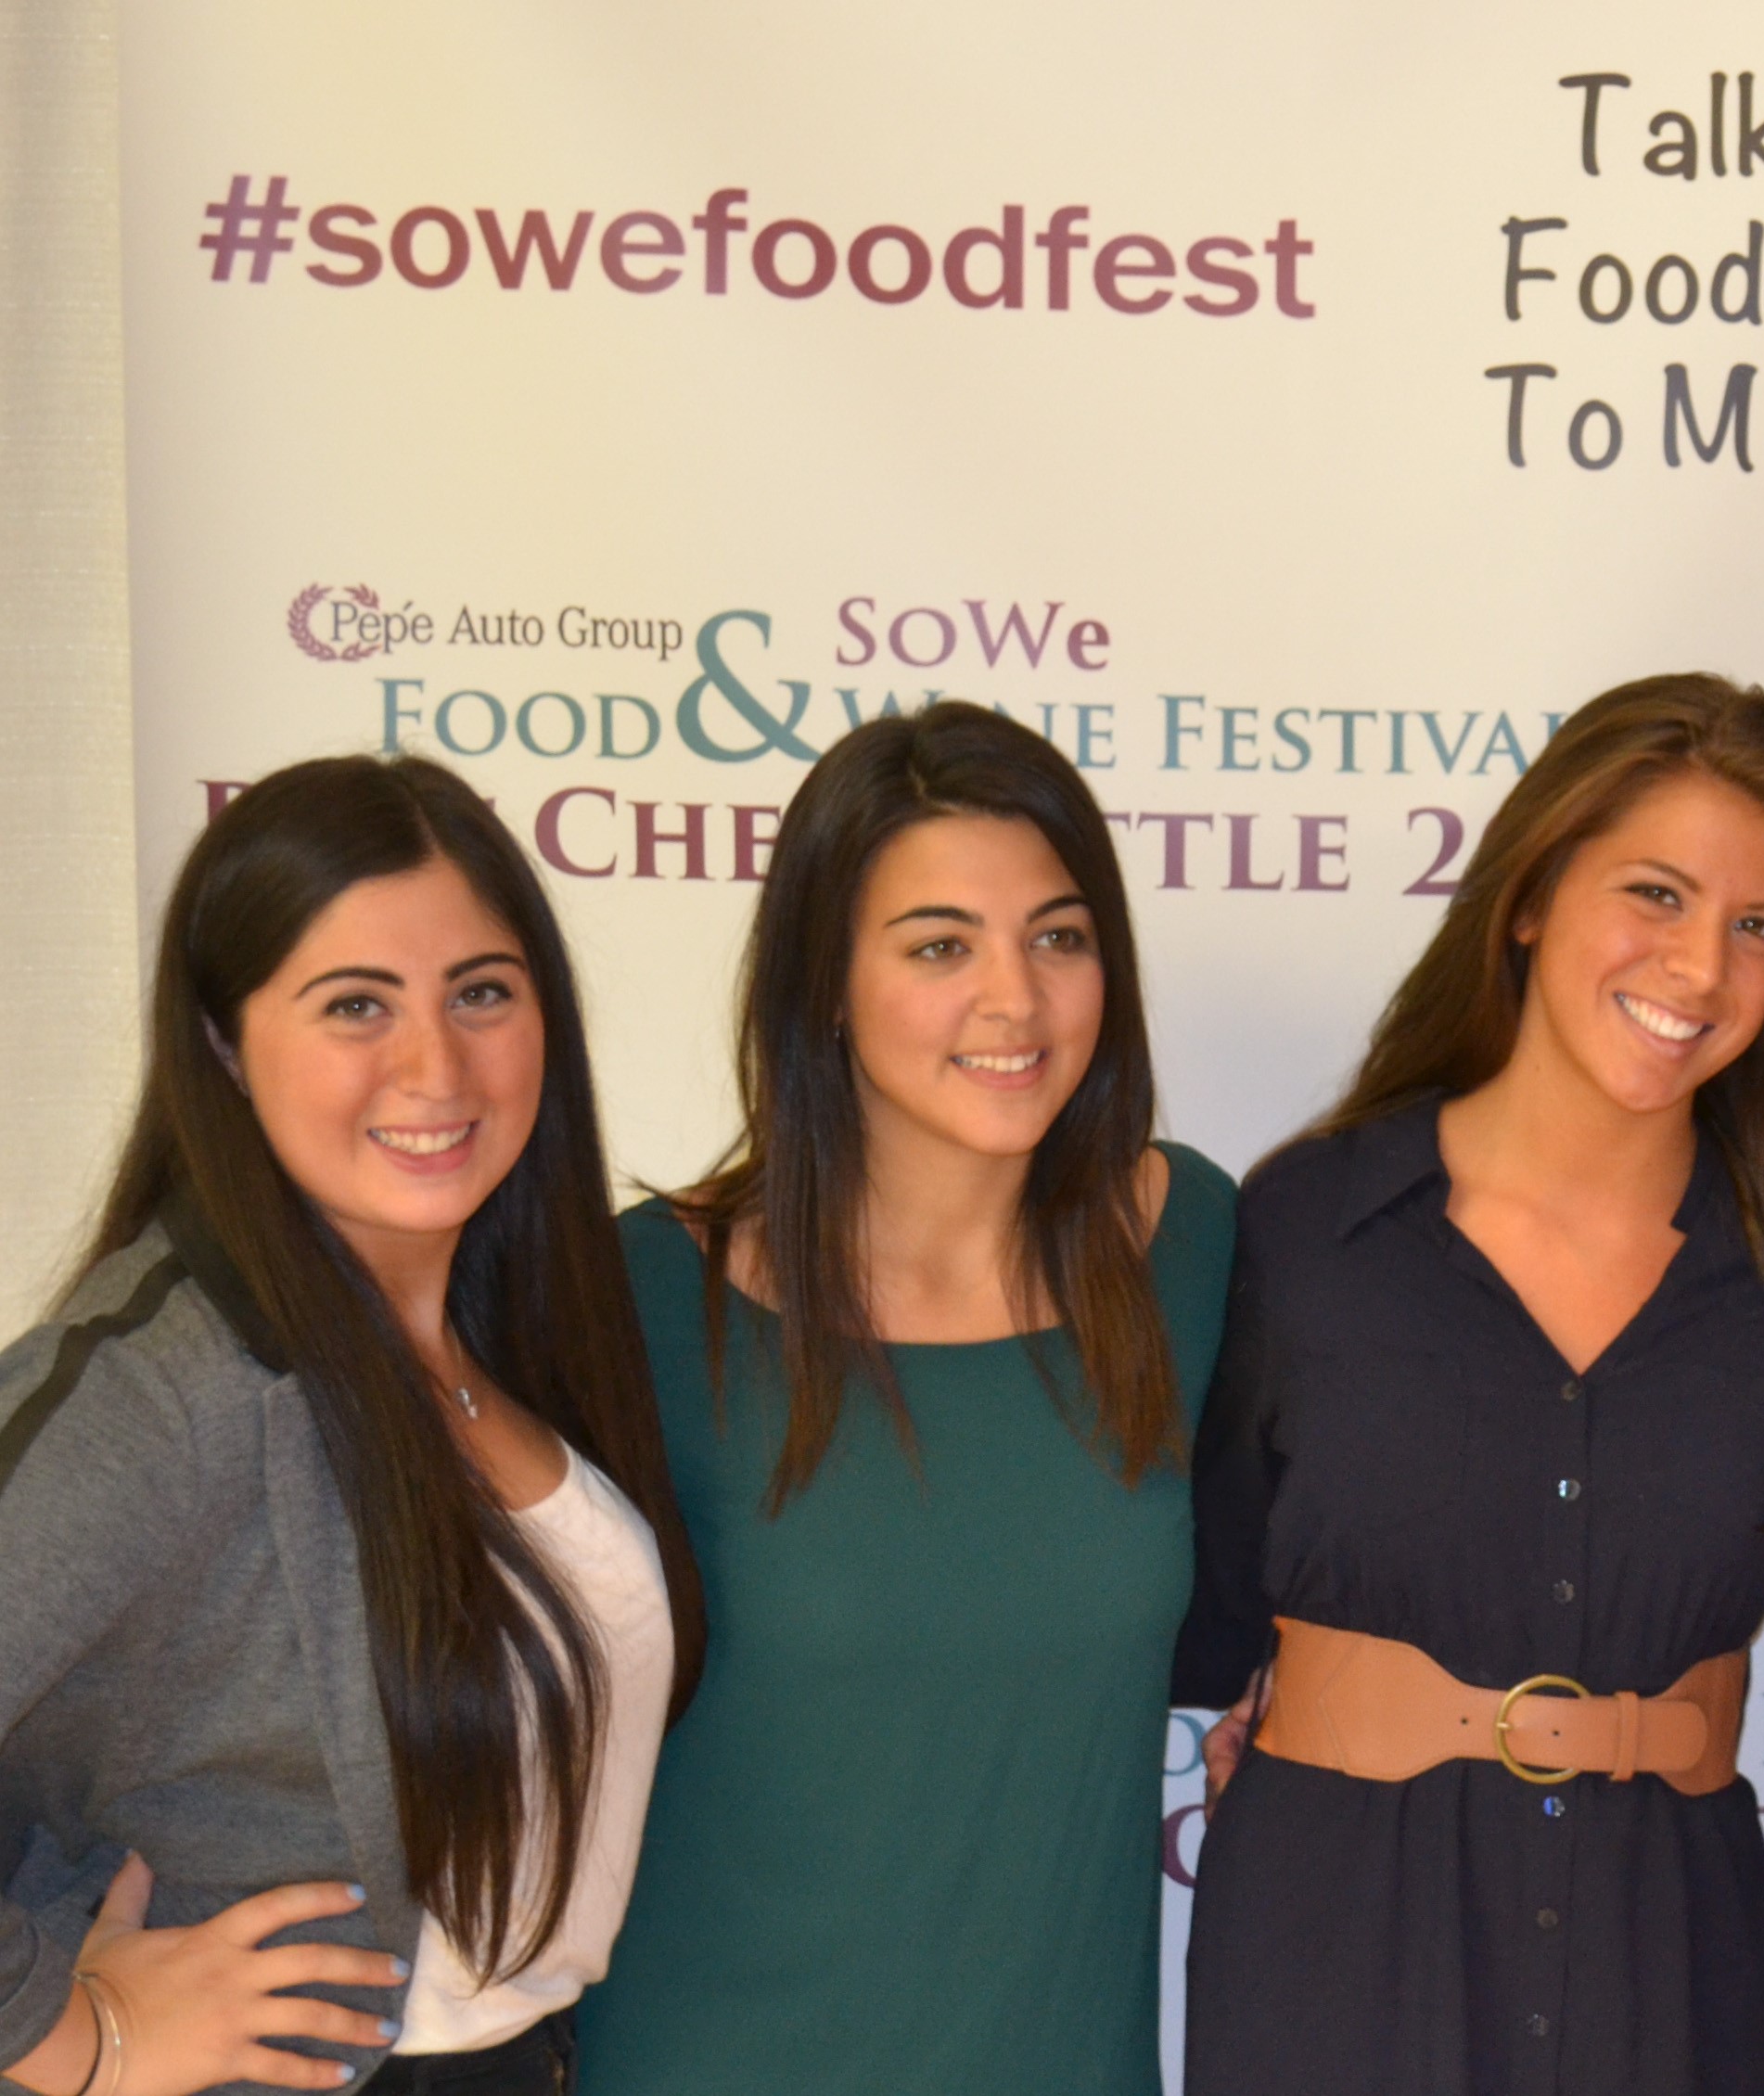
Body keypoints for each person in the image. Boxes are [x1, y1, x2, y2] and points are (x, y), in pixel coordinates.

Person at [1170, 674, 1764, 2094]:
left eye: (1759, 926)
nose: (1701, 969)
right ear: (1528, 898)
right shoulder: (1309, 1231)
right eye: (1656, 894)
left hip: (1665, 1984)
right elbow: (1190, 1615)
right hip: (1332, 1972)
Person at [1, 755, 698, 2096]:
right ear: (225, 1046)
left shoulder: (519, 1329)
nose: (436, 1065)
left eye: (481, 993)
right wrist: (81, 2040)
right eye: (355, 1006)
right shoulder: (166, 1393)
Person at [575, 704, 1232, 2096]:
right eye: (940, 946)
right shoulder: (638, 1301)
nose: (1016, 1000)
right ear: (824, 981)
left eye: (1059, 937)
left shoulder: (1193, 1248)